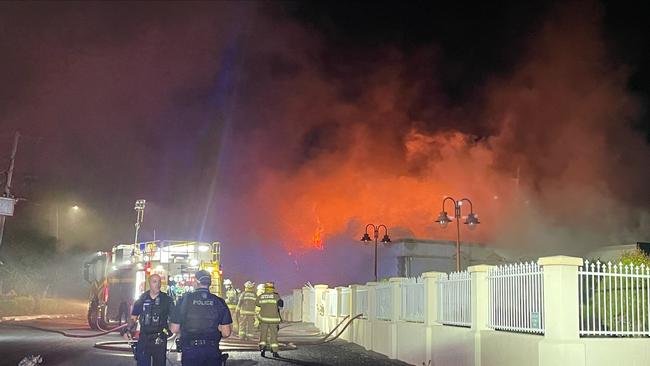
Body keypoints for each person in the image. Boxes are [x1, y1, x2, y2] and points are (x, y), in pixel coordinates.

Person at [170, 270, 232, 366]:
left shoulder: (185, 300)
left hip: (190, 351)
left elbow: (174, 329)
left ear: (196, 281)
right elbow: (226, 332)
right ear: (209, 283)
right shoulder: (219, 302)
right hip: (212, 351)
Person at [124, 274, 174, 366]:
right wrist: (128, 330)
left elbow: (174, 319)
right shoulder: (142, 299)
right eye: (154, 281)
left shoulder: (167, 300)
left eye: (159, 282)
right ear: (149, 283)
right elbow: (133, 317)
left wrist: (169, 331)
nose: (157, 284)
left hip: (160, 339)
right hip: (144, 338)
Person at [255, 281, 283, 357]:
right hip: (274, 320)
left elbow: (257, 304)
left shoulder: (261, 296)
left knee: (263, 335)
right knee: (273, 336)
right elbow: (281, 306)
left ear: (266, 288)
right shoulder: (276, 296)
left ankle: (262, 350)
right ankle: (274, 352)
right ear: (273, 288)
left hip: (263, 319)